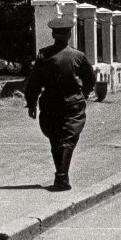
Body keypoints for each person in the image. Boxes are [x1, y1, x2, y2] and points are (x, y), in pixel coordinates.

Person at [24, 15, 96, 191]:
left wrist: (31, 103)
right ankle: (62, 177)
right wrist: (84, 94)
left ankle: (61, 175)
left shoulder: (43, 55)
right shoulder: (78, 56)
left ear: (53, 35)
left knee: (56, 140)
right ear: (69, 34)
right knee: (68, 139)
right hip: (72, 104)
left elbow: (34, 82)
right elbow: (90, 78)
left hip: (50, 103)